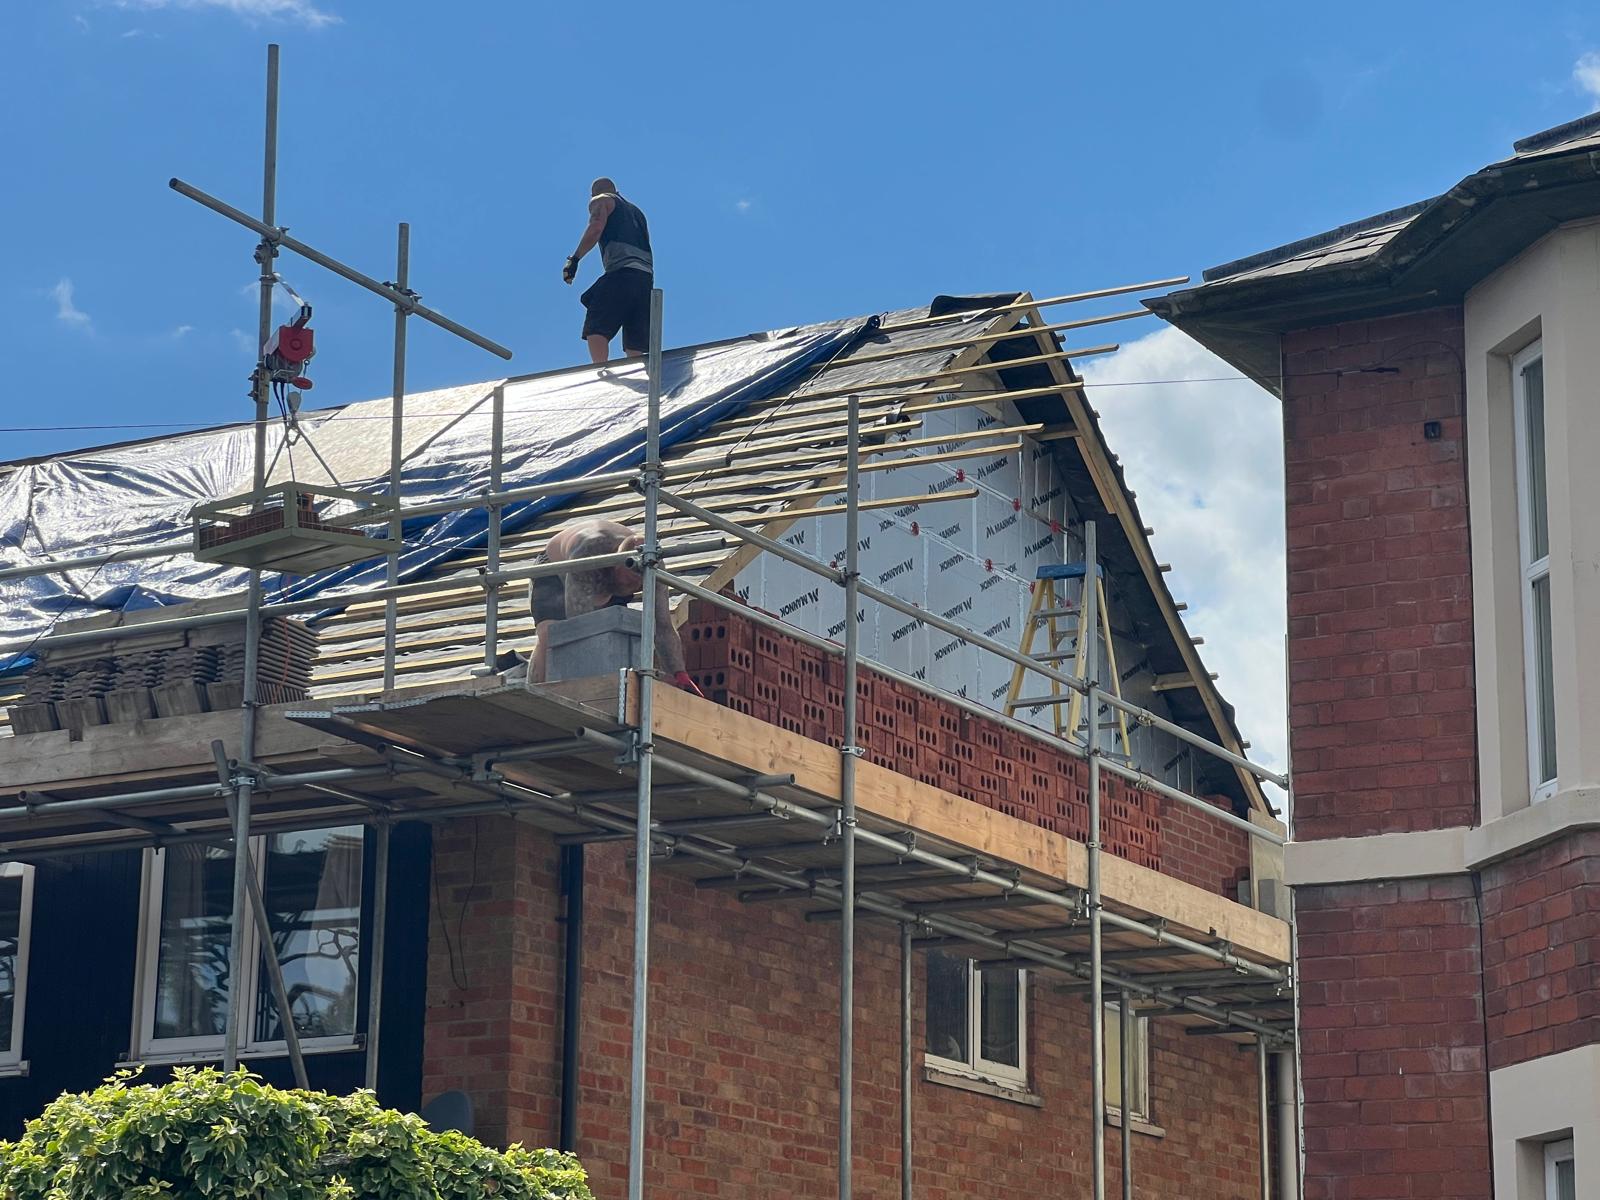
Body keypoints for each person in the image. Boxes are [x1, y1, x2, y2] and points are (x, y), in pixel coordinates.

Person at [528, 517, 699, 693]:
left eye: (638, 586)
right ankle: (535, 692)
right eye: (628, 582)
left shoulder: (653, 566)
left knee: (617, 634)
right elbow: (578, 629)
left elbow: (663, 626)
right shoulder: (588, 554)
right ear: (617, 566)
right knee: (551, 633)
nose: (633, 587)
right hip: (557, 568)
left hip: (604, 578)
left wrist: (679, 674)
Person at [562, 178, 654, 365]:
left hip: (622, 272)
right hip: (645, 279)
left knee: (596, 324)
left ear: (593, 194)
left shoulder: (601, 200)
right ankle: (638, 373)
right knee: (635, 341)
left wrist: (575, 259)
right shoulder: (637, 212)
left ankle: (600, 370)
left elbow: (596, 228)